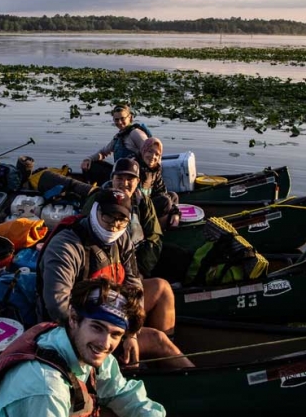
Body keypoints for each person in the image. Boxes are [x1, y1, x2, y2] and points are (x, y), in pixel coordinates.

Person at [38, 188, 192, 369]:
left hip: (111, 304)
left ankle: (149, 359)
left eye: (121, 220)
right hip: (78, 323)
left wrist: (132, 332)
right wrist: (113, 330)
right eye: (108, 216)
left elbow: (133, 283)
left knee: (161, 288)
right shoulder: (66, 247)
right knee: (158, 340)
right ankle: (166, 361)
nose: (114, 225)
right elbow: (58, 305)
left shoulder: (122, 237)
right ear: (95, 211)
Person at [0, 278, 167, 417]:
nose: (105, 343)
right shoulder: (46, 390)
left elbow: (119, 392)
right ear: (74, 318)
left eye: (116, 334)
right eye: (97, 328)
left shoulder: (82, 347)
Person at [83, 159, 175, 343]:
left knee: (167, 278)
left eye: (130, 179)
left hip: (132, 265)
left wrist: (141, 269)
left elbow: (154, 237)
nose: (124, 183)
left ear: (138, 182)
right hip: (105, 276)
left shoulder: (143, 201)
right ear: (112, 178)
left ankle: (145, 336)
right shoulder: (99, 200)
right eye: (120, 178)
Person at [80, 105, 151, 184]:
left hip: (132, 176)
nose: (120, 122)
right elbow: (103, 152)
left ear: (130, 118)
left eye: (122, 118)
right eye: (116, 120)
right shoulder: (118, 137)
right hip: (119, 172)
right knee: (92, 165)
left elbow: (150, 151)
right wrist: (88, 159)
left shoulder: (135, 133)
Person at [134, 137, 180, 230]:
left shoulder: (155, 170)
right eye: (150, 151)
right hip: (137, 207)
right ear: (143, 150)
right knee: (165, 201)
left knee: (173, 196)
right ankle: (158, 231)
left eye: (157, 154)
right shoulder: (134, 166)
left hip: (149, 201)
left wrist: (175, 212)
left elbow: (161, 190)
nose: (153, 156)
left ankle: (172, 220)